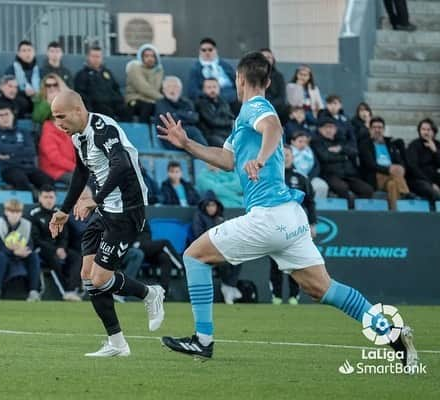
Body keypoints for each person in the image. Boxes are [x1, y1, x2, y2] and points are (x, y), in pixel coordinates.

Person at [157, 52, 417, 365]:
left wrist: (262, 159)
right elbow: (227, 160)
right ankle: (390, 332)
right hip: (290, 217)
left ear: (239, 80)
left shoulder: (256, 107)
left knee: (193, 256)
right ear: (267, 81)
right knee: (323, 289)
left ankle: (203, 340)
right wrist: (187, 144)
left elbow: (274, 130)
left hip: (268, 217)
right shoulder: (243, 121)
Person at [48, 90, 165, 357]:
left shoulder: (103, 129)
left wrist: (95, 199)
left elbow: (122, 164)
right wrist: (64, 210)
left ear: (78, 110)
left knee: (101, 279)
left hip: (126, 209)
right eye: (55, 118)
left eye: (61, 117)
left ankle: (150, 293)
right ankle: (117, 343)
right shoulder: (78, 135)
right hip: (105, 208)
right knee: (88, 277)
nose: (58, 124)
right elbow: (81, 171)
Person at [270, 145, 317, 305]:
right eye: (282, 154)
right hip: (275, 225)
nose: (286, 157)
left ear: (292, 156)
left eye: (288, 154)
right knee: (275, 263)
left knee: (295, 263)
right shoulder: (270, 175)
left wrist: (312, 224)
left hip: (296, 226)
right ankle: (275, 296)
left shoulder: (301, 177)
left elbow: (310, 202)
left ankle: (293, 296)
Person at [30, 185, 82, 301]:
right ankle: (66, 291)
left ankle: (72, 289)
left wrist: (62, 247)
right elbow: (36, 239)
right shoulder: (34, 215)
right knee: (53, 258)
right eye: (46, 197)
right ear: (40, 198)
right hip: (43, 249)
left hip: (59, 248)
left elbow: (64, 235)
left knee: (76, 257)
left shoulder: (60, 214)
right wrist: (55, 250)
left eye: (51, 197)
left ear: (55, 199)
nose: (48, 200)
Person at [0, 198, 42, 302]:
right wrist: (13, 252)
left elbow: (30, 244)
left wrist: (24, 250)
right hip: (3, 255)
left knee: (34, 256)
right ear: (6, 212)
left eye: (18, 212)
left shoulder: (26, 225)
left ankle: (34, 292)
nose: (15, 215)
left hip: (20, 255)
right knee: (1, 257)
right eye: (12, 211)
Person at [192, 192, 242, 305]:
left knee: (238, 258)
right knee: (224, 262)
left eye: (213, 205)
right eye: (208, 205)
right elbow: (198, 237)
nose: (211, 208)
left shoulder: (220, 218)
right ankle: (228, 288)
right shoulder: (198, 217)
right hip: (203, 253)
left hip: (218, 250)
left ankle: (229, 286)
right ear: (204, 206)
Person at [0, 106, 52, 193]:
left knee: (47, 181)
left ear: (12, 116)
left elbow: (31, 151)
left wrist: (10, 155)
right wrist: (20, 147)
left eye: (7, 114)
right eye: (0, 115)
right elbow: (0, 148)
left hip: (29, 167)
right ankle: (34, 198)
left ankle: (46, 201)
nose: (4, 118)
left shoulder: (24, 132)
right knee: (20, 179)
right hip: (9, 169)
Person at [311, 117, 373, 206]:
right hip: (330, 175)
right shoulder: (317, 142)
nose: (329, 130)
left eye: (331, 127)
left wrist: (341, 149)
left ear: (335, 129)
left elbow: (354, 151)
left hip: (348, 175)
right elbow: (325, 157)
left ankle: (360, 209)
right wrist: (344, 156)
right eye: (326, 127)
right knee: (342, 188)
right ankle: (349, 212)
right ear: (320, 129)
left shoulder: (341, 140)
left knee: (367, 190)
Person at [358, 117, 411, 210]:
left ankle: (395, 212)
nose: (377, 130)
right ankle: (406, 193)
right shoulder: (365, 144)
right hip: (376, 175)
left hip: (393, 176)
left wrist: (401, 168)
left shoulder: (390, 143)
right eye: (374, 127)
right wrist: (389, 169)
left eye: (380, 127)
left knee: (392, 185)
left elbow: (399, 161)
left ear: (384, 129)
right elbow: (370, 164)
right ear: (370, 129)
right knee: (395, 173)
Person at [74, 45, 131, 121]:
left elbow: (116, 89)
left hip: (112, 103)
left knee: (126, 110)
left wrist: (119, 101)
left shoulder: (107, 73)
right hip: (95, 106)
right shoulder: (82, 74)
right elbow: (81, 94)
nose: (96, 59)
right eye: (93, 56)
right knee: (105, 111)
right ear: (88, 57)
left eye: (98, 57)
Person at [154, 76, 207, 149]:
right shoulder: (160, 103)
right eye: (169, 86)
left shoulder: (187, 103)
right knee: (193, 131)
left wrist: (176, 114)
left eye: (176, 87)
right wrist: (185, 115)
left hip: (187, 136)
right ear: (163, 90)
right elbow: (169, 119)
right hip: (171, 138)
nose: (172, 89)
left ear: (180, 89)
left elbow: (194, 118)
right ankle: (206, 156)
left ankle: (205, 156)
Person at [134, 223, 183, 297]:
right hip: (133, 247)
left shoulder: (141, 219)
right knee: (165, 243)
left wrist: (145, 242)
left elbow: (147, 233)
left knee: (164, 257)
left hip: (145, 246)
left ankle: (163, 292)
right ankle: (183, 267)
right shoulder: (126, 217)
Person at [188, 38, 237, 111]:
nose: (207, 52)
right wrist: (208, 95)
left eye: (210, 50)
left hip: (229, 95)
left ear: (215, 50)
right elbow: (192, 90)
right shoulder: (195, 69)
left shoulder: (225, 65)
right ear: (200, 52)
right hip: (208, 98)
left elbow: (237, 81)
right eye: (204, 50)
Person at [124, 44, 164, 122]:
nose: (150, 59)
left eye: (152, 56)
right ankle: (142, 133)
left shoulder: (158, 70)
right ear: (141, 57)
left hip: (152, 100)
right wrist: (163, 99)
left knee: (164, 108)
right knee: (146, 107)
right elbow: (143, 88)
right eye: (147, 56)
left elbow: (156, 87)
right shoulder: (134, 67)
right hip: (136, 98)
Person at [406, 118, 440, 204]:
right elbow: (413, 168)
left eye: (428, 130)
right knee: (432, 192)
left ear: (434, 131)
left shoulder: (437, 145)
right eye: (423, 129)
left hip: (434, 178)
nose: (426, 132)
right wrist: (431, 183)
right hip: (418, 179)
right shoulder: (414, 145)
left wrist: (435, 151)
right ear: (419, 131)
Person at [4, 40, 41, 115]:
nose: (27, 53)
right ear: (18, 53)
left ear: (34, 53)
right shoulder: (11, 70)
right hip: (19, 100)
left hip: (38, 99)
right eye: (24, 51)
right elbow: (7, 89)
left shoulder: (40, 71)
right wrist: (24, 92)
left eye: (29, 50)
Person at [195, 78, 235, 147]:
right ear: (203, 89)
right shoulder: (201, 103)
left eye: (214, 87)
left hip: (227, 133)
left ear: (219, 88)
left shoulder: (223, 102)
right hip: (211, 135)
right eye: (209, 87)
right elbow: (213, 121)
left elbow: (230, 116)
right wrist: (230, 122)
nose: (212, 90)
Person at [290, 130, 329, 198]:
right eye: (300, 141)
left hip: (310, 178)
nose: (303, 144)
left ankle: (316, 207)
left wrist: (309, 178)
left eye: (305, 142)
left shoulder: (310, 152)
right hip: (294, 178)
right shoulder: (288, 152)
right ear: (292, 142)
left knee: (322, 186)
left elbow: (316, 167)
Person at [260, 48, 287, 124]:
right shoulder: (251, 75)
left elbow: (282, 98)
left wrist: (268, 106)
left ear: (273, 60)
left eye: (268, 57)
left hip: (274, 107)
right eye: (263, 57)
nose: (265, 60)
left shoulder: (279, 76)